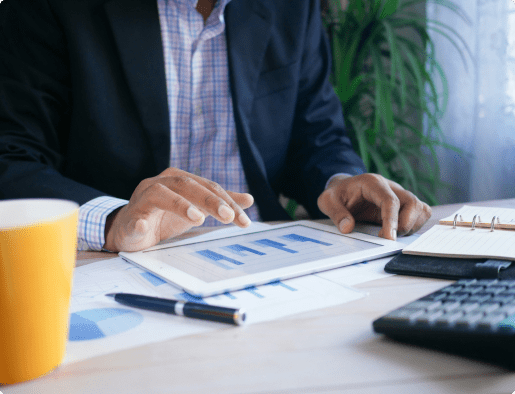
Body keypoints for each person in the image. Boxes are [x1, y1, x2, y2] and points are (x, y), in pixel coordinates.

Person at [0, 0, 431, 252]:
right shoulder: (48, 7)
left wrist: (341, 183)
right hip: (116, 263)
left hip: (264, 254)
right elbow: (11, 158)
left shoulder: (291, 7)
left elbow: (316, 135)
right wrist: (113, 221)